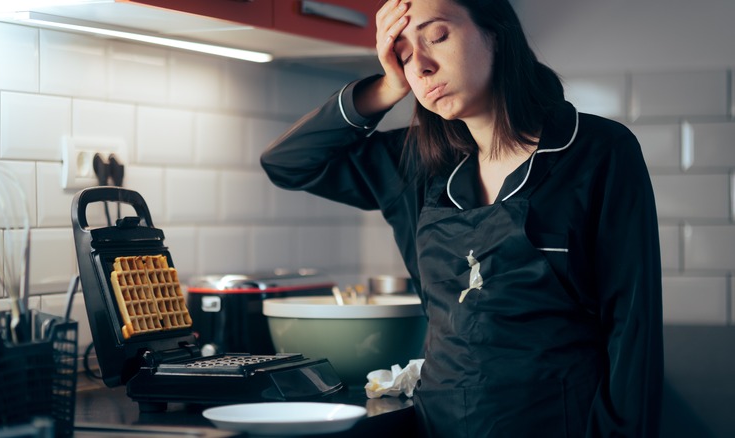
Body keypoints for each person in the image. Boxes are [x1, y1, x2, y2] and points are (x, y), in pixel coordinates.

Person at [261, 0, 664, 436]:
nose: (422, 66)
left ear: (496, 34)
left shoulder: (598, 151)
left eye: (437, 37)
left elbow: (632, 324)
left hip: (563, 423)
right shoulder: (417, 164)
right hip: (441, 424)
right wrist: (387, 87)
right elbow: (287, 163)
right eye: (405, 54)